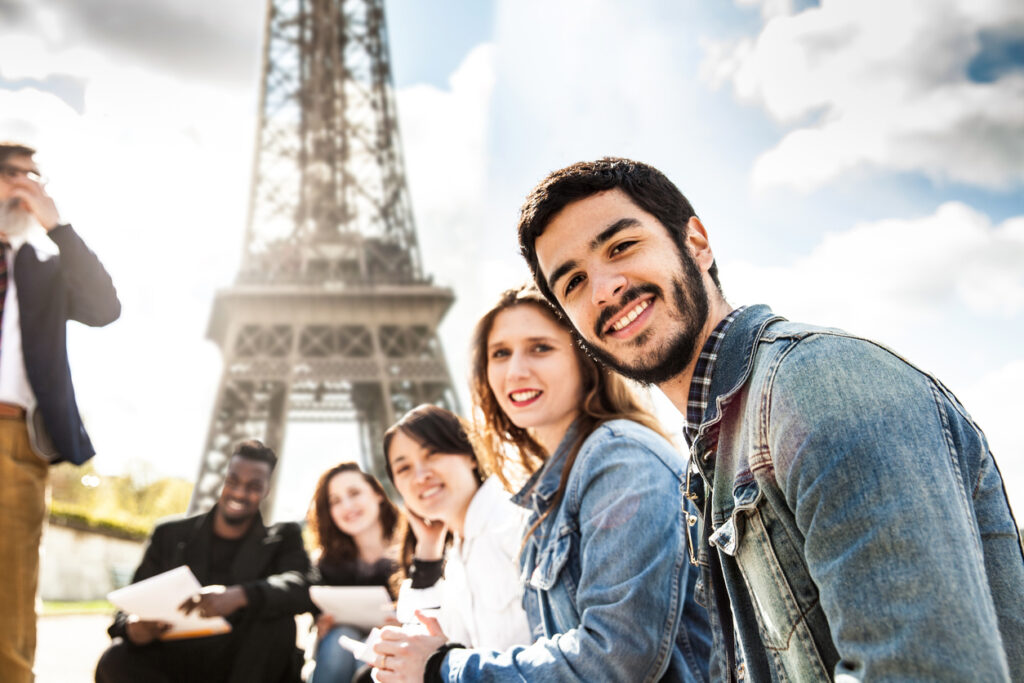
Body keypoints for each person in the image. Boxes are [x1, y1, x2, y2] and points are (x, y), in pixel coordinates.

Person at [515, 157, 1024, 681]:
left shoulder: (819, 385)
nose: (602, 288)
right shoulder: (715, 451)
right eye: (573, 282)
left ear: (696, 243)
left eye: (621, 246)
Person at [372, 286, 711, 682]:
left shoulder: (620, 459)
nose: (515, 371)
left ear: (586, 358)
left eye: (540, 348)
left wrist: (442, 668)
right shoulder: (550, 492)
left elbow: (617, 658)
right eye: (500, 353)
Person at [0, 142, 120, 683]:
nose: (25, 187)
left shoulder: (44, 268)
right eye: (12, 174)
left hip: (14, 439)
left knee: (10, 593)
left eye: (35, 178)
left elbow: (104, 308)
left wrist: (59, 227)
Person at [95, 440, 311, 683]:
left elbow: (301, 586)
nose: (240, 492)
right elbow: (129, 606)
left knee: (278, 621)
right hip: (175, 660)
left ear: (266, 490)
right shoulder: (169, 534)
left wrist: (240, 596)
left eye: (253, 486)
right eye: (232, 481)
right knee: (115, 659)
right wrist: (133, 628)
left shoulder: (283, 537)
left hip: (244, 663)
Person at [382, 404, 531, 651]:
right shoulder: (458, 557)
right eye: (403, 468)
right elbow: (423, 643)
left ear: (470, 455)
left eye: (432, 453)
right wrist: (428, 550)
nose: (420, 476)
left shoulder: (516, 523)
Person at [304, 462, 400, 683]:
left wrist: (405, 626)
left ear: (378, 494)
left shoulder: (414, 550)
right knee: (339, 639)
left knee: (373, 650)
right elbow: (317, 621)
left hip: (397, 645)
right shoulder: (326, 564)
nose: (347, 506)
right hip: (340, 649)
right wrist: (320, 627)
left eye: (354, 493)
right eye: (335, 501)